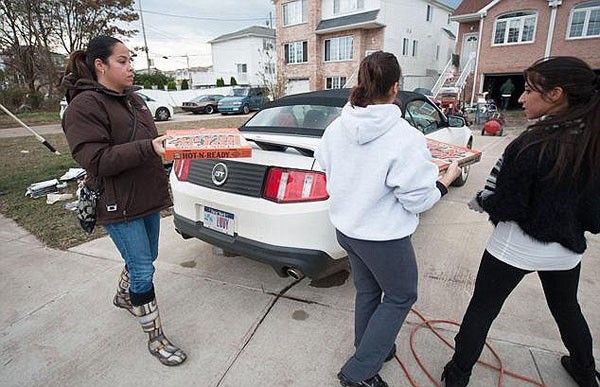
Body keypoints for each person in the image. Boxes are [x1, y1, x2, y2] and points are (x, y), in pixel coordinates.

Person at [441, 56, 600, 387]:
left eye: (529, 90)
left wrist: (484, 201)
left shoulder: (531, 143)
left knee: (483, 309)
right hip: (566, 250)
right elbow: (594, 214)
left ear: (556, 94)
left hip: (514, 247)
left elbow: (506, 204)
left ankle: (458, 374)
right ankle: (586, 372)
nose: (521, 98)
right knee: (568, 310)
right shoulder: (592, 141)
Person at [315, 51, 461, 387]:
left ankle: (368, 346)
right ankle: (359, 372)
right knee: (400, 295)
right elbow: (418, 200)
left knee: (368, 290)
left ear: (361, 84)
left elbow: (325, 164)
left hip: (347, 229)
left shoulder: (339, 126)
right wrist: (444, 180)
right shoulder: (403, 135)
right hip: (383, 237)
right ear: (395, 87)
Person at [61, 36, 186, 366]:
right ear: (100, 66)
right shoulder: (83, 107)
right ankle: (156, 338)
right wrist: (150, 148)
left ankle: (122, 295)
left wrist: (172, 148)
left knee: (148, 256)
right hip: (118, 203)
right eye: (123, 61)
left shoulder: (135, 101)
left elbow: (152, 142)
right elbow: (96, 160)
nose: (131, 67)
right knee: (144, 268)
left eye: (130, 60)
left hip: (147, 196)